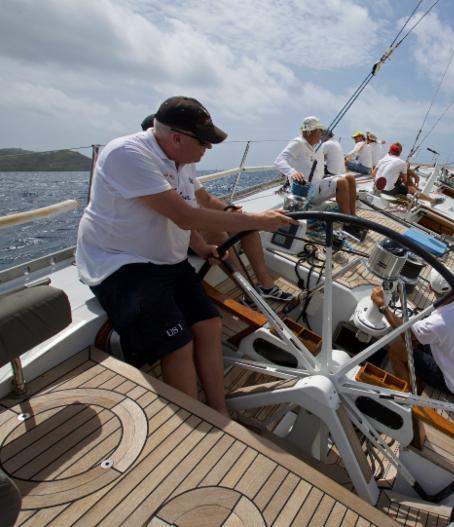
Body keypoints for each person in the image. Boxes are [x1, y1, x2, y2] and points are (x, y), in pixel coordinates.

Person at [77, 96, 297, 416]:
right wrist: (257, 221)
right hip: (122, 262)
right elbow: (184, 215)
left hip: (167, 258)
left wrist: (200, 247)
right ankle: (198, 417)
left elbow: (182, 210)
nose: (208, 149)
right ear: (176, 137)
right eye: (204, 141)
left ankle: (219, 411)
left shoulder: (183, 159)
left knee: (209, 325)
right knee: (179, 343)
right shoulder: (127, 154)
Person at [141, 114, 293, 303]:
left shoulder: (185, 165)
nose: (207, 147)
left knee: (247, 227)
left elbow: (205, 198)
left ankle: (266, 286)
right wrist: (256, 219)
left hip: (191, 227)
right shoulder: (148, 168)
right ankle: (249, 293)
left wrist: (231, 211)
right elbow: (181, 218)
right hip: (172, 235)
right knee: (218, 233)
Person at [370, 269, 454, 398]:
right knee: (417, 341)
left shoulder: (438, 323)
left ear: (430, 288)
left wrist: (382, 306)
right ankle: (418, 377)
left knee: (396, 349)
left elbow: (407, 336)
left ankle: (408, 394)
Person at [275, 117, 363, 238]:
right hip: (306, 192)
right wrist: (292, 172)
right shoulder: (298, 143)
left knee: (350, 178)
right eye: (318, 131)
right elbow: (279, 160)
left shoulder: (312, 146)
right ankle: (347, 225)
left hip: (316, 186)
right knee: (341, 182)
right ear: (310, 132)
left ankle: (353, 219)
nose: (320, 134)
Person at [374, 143, 442, 204]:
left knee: (397, 184)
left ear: (389, 151)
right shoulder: (402, 163)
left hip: (376, 187)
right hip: (388, 191)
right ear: (399, 153)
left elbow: (373, 173)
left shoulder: (382, 160)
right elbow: (405, 180)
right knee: (411, 189)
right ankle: (432, 201)